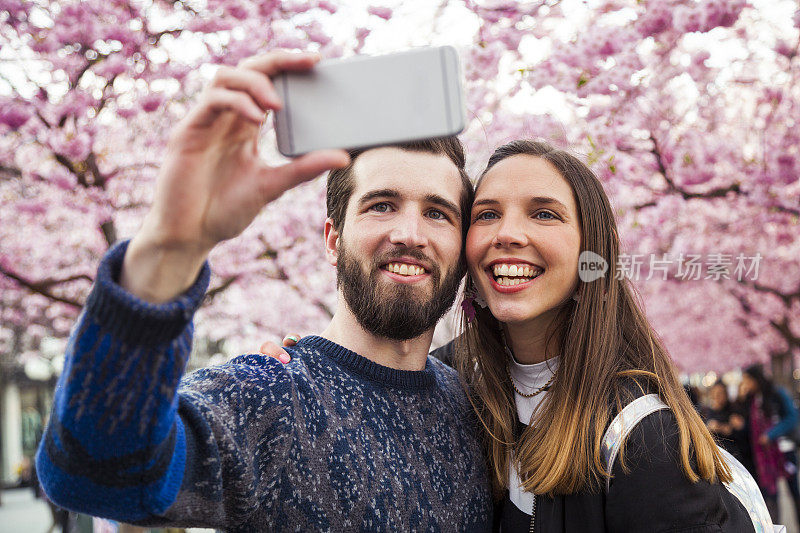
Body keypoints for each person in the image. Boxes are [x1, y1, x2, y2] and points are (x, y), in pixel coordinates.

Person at [35, 50, 492, 532]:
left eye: (438, 213)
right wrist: (172, 244)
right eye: (381, 205)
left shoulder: (479, 409)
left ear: (462, 247)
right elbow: (90, 474)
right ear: (333, 241)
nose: (410, 234)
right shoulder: (268, 395)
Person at [264, 140, 757, 531]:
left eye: (544, 213)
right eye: (487, 214)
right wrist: (310, 368)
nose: (508, 234)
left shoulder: (639, 437)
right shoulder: (453, 383)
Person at [740, 364, 800, 520]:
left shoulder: (777, 393)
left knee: (794, 492)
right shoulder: (752, 400)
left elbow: (792, 417)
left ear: (755, 379)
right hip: (764, 457)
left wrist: (771, 434)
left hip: (784, 450)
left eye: (747, 380)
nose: (745, 384)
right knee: (771, 497)